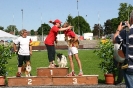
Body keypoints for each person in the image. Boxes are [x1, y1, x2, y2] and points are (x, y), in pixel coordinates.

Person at [113, 10, 133, 88]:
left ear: (131, 19)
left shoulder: (127, 32)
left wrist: (118, 30)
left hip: (130, 67)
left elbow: (115, 40)